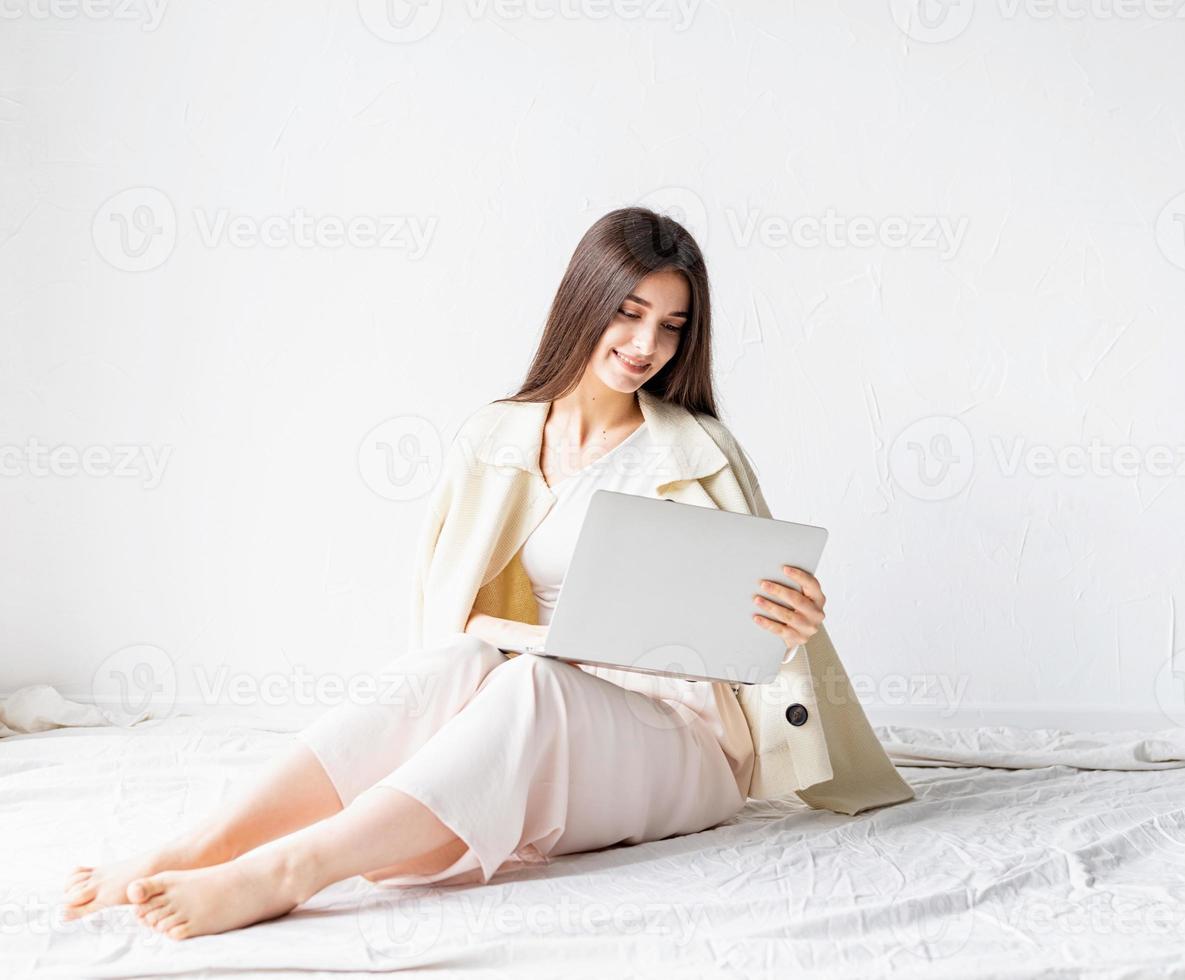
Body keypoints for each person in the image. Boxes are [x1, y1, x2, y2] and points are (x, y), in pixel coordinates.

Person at [61, 207, 886, 940]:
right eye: (629, 314)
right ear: (584, 304)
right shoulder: (494, 438)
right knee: (460, 664)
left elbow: (762, 640)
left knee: (534, 688)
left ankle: (289, 872)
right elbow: (443, 620)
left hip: (685, 739)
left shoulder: (698, 449)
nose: (645, 346)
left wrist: (789, 627)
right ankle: (205, 843)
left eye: (671, 326)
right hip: (531, 684)